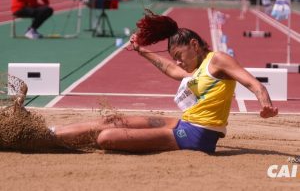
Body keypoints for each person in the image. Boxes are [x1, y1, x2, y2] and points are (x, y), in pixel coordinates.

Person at [47, 10, 278, 153]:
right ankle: (48, 134)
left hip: (198, 136)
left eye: (179, 56)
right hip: (184, 124)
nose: (177, 63)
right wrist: (141, 51)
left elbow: (253, 83)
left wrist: (265, 103)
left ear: (194, 45)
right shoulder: (197, 69)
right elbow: (170, 69)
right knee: (111, 120)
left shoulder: (217, 60)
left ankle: (56, 140)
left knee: (107, 137)